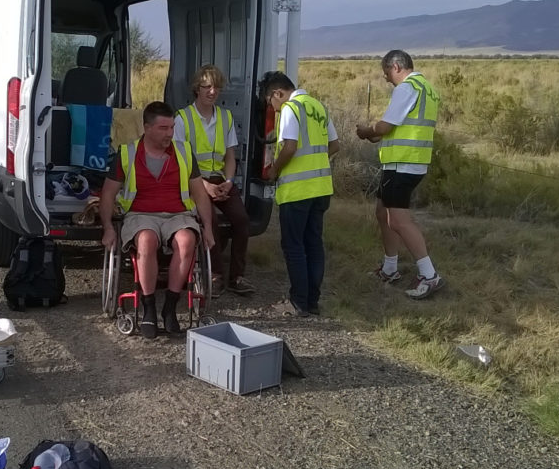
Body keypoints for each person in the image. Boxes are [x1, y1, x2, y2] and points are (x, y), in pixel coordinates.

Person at [100, 101, 216, 339]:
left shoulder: (183, 152)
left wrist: (209, 228)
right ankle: (149, 306)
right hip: (141, 215)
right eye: (163, 128)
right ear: (147, 128)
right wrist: (108, 228)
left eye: (172, 127)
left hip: (178, 215)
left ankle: (171, 306)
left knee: (186, 242)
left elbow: (200, 194)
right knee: (146, 240)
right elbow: (108, 194)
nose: (170, 133)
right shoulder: (126, 153)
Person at [356, 49, 444, 300]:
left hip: (403, 164)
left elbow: (386, 125)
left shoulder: (406, 88)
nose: (386, 79)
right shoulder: (426, 87)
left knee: (398, 220)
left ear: (396, 67)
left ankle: (429, 275)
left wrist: (367, 131)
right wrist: (378, 133)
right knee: (382, 213)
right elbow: (398, 126)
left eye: (386, 73)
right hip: (408, 162)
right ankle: (390, 268)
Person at [258, 72, 340, 317]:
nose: (271, 108)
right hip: (321, 188)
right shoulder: (318, 106)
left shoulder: (291, 109)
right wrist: (316, 164)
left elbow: (290, 147)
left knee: (294, 246)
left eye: (270, 102)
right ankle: (312, 301)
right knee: (313, 244)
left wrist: (274, 170)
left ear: (277, 93)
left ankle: (297, 302)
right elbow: (335, 145)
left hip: (297, 191)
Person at [174, 65, 255, 297]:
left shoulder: (226, 117)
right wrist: (203, 186)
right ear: (196, 89)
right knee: (211, 222)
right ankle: (216, 275)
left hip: (220, 179)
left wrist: (228, 181)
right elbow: (180, 160)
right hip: (194, 182)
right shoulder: (182, 118)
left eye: (216, 87)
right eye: (207, 86)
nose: (212, 91)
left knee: (241, 219)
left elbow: (230, 155)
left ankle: (237, 277)